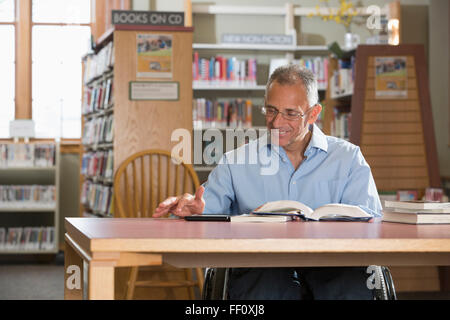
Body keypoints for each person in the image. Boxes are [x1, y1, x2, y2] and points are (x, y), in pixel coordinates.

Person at [154, 64, 382, 300]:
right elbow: (207, 209)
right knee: (265, 288)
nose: (277, 122)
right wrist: (196, 210)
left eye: (291, 113)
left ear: (314, 113)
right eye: (271, 110)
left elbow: (372, 220)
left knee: (350, 287)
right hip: (262, 265)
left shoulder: (348, 157)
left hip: (334, 263)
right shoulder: (236, 161)